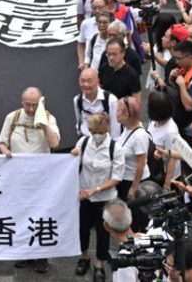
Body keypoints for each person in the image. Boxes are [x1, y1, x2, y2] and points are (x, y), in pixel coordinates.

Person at [70, 113, 124, 282]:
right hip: (84, 195)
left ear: (106, 129)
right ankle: (84, 257)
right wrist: (73, 154)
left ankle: (99, 264)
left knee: (103, 232)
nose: (95, 134)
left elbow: (117, 178)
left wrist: (97, 189)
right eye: (92, 130)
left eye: (98, 131)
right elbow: (74, 163)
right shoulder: (84, 142)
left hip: (104, 197)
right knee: (83, 228)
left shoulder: (115, 148)